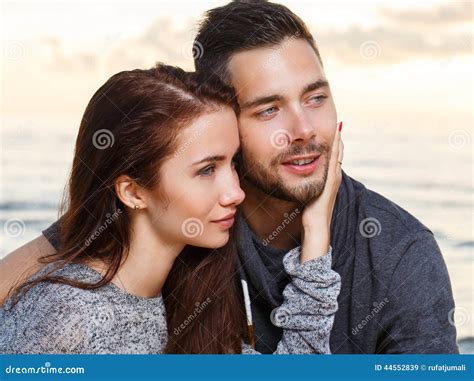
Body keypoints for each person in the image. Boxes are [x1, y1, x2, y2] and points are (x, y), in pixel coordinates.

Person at [0, 0, 458, 354]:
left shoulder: (402, 255)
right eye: (268, 109)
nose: (302, 131)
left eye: (316, 98)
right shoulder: (177, 214)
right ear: (220, 121)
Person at [0, 64, 343, 354]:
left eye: (233, 164)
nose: (236, 192)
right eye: (207, 170)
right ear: (133, 192)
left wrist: (315, 231)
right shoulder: (66, 317)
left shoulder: (186, 299)